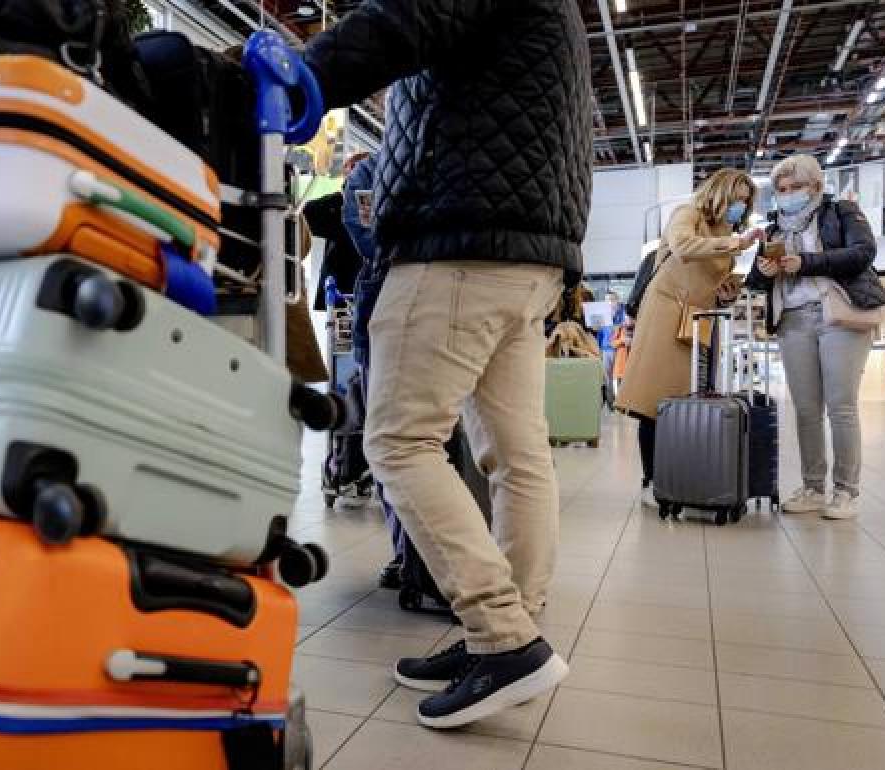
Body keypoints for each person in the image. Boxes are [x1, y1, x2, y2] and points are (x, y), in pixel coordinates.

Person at [306, 0, 592, 728]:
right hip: (528, 252)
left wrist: (296, 78)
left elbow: (399, 26)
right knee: (517, 453)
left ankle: (503, 636)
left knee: (397, 440)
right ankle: (508, 634)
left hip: (458, 242)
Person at [746, 154, 885, 520]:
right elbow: (756, 281)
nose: (788, 194)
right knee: (807, 409)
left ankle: (846, 492)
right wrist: (763, 270)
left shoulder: (841, 211)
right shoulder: (774, 228)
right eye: (781, 189)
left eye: (796, 187)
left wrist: (806, 262)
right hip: (792, 320)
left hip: (837, 316)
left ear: (816, 187)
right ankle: (812, 487)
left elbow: (863, 252)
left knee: (841, 405)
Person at [615, 169, 764, 506]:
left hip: (700, 322)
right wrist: (734, 244)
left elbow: (712, 284)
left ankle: (678, 476)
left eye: (745, 201)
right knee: (654, 403)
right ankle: (651, 480)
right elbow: (682, 246)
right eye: (737, 198)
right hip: (666, 313)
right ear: (719, 192)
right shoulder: (689, 214)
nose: (740, 206)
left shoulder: (728, 236)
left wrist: (727, 293)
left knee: (691, 402)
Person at [342, 149, 406, 586]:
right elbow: (360, 222)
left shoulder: (372, 169)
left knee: (391, 437)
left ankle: (412, 557)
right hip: (399, 298)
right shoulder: (371, 169)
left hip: (388, 300)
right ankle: (410, 555)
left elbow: (362, 226)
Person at [304, 153, 371, 311]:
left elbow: (307, 214)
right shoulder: (339, 204)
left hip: (344, 289)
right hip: (344, 290)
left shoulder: (339, 204)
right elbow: (307, 214)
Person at [596, 291, 626, 408]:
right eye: (606, 300)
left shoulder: (622, 314)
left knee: (619, 377)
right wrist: (598, 350)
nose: (608, 303)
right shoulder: (603, 315)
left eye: (611, 300)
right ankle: (611, 403)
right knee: (607, 378)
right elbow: (599, 334)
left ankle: (621, 402)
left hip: (619, 349)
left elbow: (624, 327)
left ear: (616, 301)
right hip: (606, 350)